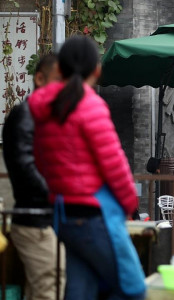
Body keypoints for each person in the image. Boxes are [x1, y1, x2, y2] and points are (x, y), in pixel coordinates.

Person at [28, 36, 145, 300]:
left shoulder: (42, 107)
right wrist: (129, 205)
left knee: (82, 291)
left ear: (61, 69)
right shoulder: (89, 105)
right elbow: (114, 165)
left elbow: (40, 161)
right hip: (93, 215)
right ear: (96, 69)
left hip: (62, 214)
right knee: (132, 289)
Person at [2, 54, 65, 300]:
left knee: (46, 284)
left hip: (42, 217)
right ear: (39, 78)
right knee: (50, 284)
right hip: (34, 218)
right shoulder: (25, 115)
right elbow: (24, 167)